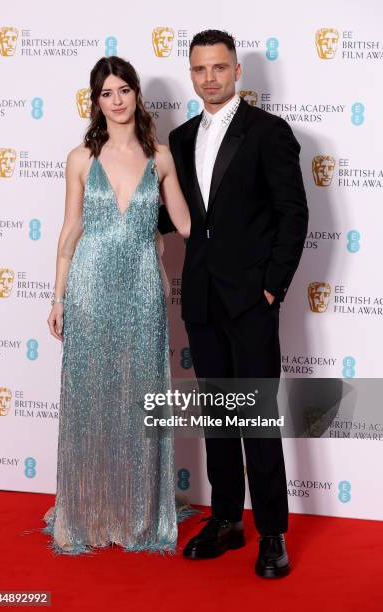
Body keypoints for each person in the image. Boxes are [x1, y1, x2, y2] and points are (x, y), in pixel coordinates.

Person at [166, 30, 308, 577]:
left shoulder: (268, 133)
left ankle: (272, 532)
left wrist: (271, 286)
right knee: (219, 420)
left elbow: (294, 213)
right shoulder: (178, 139)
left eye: (219, 68)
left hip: (251, 301)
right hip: (200, 300)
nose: (209, 78)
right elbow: (177, 219)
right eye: (200, 69)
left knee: (256, 419)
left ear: (236, 72)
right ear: (192, 73)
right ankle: (226, 520)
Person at [44, 56, 190, 555]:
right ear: (96, 101)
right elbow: (69, 232)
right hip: (89, 287)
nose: (118, 100)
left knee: (140, 398)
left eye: (124, 89)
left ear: (136, 94)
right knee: (91, 397)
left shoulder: (162, 156)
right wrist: (58, 296)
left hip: (144, 291)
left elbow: (187, 225)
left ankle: (137, 512)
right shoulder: (80, 158)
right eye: (107, 93)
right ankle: (87, 510)